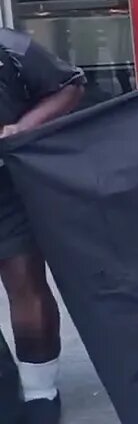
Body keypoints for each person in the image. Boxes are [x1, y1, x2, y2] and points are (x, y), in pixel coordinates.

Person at [0, 28, 86, 423]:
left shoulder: (10, 46)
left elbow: (70, 84)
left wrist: (21, 128)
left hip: (8, 184)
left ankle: (40, 392)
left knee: (25, 284)